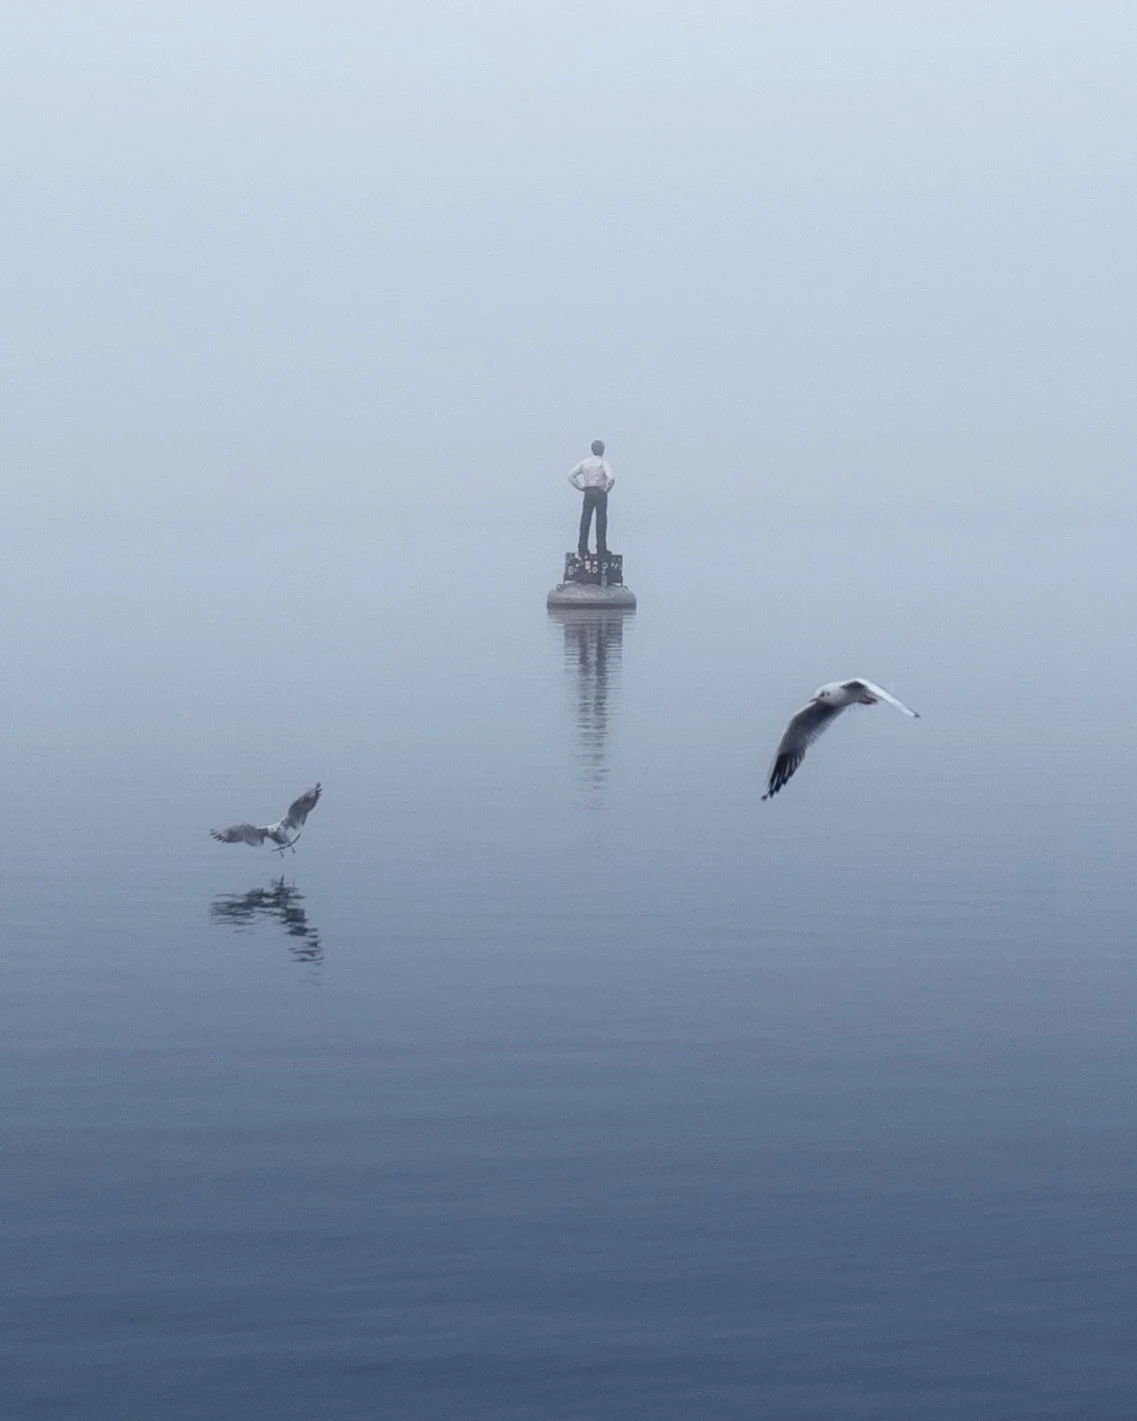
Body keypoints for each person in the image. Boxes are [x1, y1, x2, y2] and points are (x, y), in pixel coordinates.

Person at [567, 439, 616, 558]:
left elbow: (571, 475)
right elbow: (611, 478)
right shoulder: (603, 462)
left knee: (585, 519)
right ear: (602, 450)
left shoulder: (585, 462)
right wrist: (606, 489)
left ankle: (582, 547)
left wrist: (580, 487)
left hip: (588, 491)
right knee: (601, 520)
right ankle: (601, 548)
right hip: (600, 492)